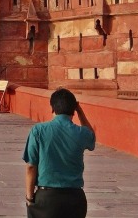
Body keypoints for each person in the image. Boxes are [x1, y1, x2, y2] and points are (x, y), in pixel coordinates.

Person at [22, 88, 96, 218]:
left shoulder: (39, 130)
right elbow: (91, 137)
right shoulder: (81, 133)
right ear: (73, 110)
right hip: (75, 198)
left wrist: (29, 197)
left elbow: (31, 166)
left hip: (47, 198)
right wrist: (80, 111)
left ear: (52, 108)